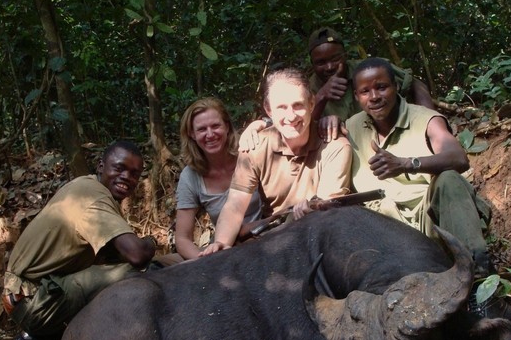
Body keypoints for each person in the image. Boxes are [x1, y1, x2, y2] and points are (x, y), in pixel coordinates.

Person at [344, 57, 511, 318]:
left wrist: (407, 164)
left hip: (429, 219)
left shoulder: (425, 119)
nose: (374, 96)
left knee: (449, 180)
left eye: (382, 87)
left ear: (396, 87)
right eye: (365, 91)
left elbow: (458, 158)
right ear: (356, 96)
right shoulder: (353, 126)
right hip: (386, 230)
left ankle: (482, 288)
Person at [2, 140, 157, 340]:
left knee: (112, 271)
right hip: (32, 300)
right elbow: (137, 255)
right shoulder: (92, 198)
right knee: (141, 273)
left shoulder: (86, 185)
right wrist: (151, 242)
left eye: (134, 174)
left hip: (30, 292)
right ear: (100, 166)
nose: (127, 177)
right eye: (119, 168)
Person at [200, 67, 352, 256]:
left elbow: (326, 207)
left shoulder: (335, 145)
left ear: (312, 103)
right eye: (281, 107)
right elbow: (235, 205)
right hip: (274, 236)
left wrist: (313, 208)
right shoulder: (255, 146)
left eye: (298, 105)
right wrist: (222, 244)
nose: (291, 116)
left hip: (320, 237)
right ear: (268, 109)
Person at [172, 97, 262, 261]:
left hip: (265, 235)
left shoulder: (248, 151)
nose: (210, 134)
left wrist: (260, 123)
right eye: (201, 129)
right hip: (225, 247)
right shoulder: (191, 176)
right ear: (192, 134)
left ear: (227, 126)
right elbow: (182, 239)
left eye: (215, 126)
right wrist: (205, 262)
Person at [308, 27, 435, 141]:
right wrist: (321, 96)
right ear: (312, 64)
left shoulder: (367, 71)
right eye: (321, 62)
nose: (329, 67)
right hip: (346, 146)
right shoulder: (308, 88)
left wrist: (429, 123)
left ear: (345, 55)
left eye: (335, 59)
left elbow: (416, 84)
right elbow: (304, 132)